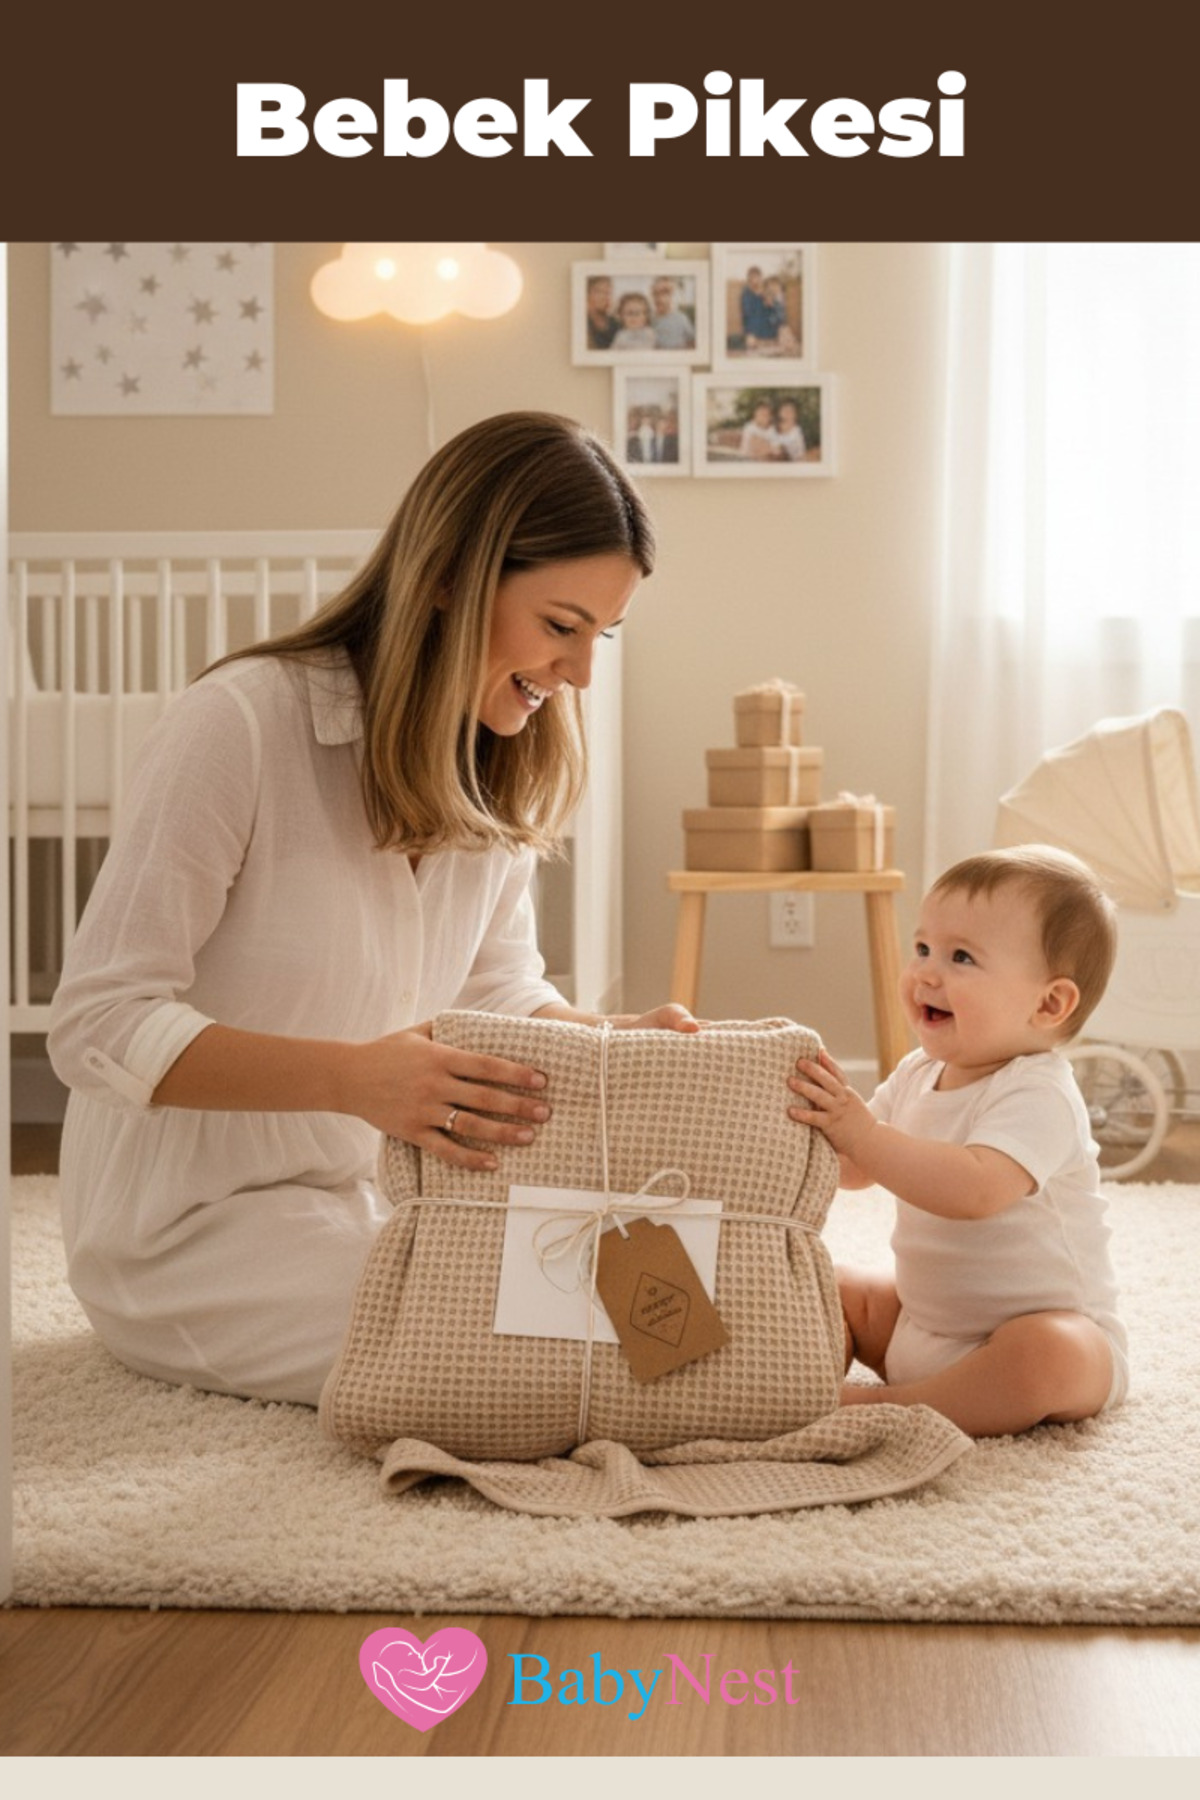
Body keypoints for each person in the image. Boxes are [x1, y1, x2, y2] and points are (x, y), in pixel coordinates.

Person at [47, 412, 697, 1409]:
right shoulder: (242, 724)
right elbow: (97, 1025)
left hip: (379, 1194)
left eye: (599, 636)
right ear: (449, 577)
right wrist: (355, 1079)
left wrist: (618, 1044)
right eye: (562, 627)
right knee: (576, 1353)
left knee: (678, 1297)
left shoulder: (495, 766)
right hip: (189, 1232)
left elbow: (499, 989)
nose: (580, 674)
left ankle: (863, 1349)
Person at [787, 845, 1129, 1438]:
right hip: (923, 1320)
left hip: (1031, 1333)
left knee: (1052, 1351)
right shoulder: (919, 1070)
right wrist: (810, 1121)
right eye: (923, 948)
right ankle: (799, 1382)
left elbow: (973, 1188)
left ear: (1049, 1003)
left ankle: (892, 1407)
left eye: (961, 957)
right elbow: (857, 1168)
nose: (926, 972)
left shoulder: (1039, 1093)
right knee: (828, 1281)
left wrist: (864, 1133)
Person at [649, 275, 695, 350]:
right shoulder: (648, 319)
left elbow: (692, 342)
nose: (659, 297)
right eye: (655, 293)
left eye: (665, 292)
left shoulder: (681, 319)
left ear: (673, 295)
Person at [585, 276, 619, 350]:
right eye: (599, 292)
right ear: (586, 294)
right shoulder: (582, 323)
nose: (605, 297)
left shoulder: (616, 323)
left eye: (608, 292)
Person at [773, 397, 807, 462]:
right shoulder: (773, 429)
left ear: (795, 415)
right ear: (779, 412)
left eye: (791, 411)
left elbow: (799, 454)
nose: (787, 413)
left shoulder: (796, 431)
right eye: (785, 410)